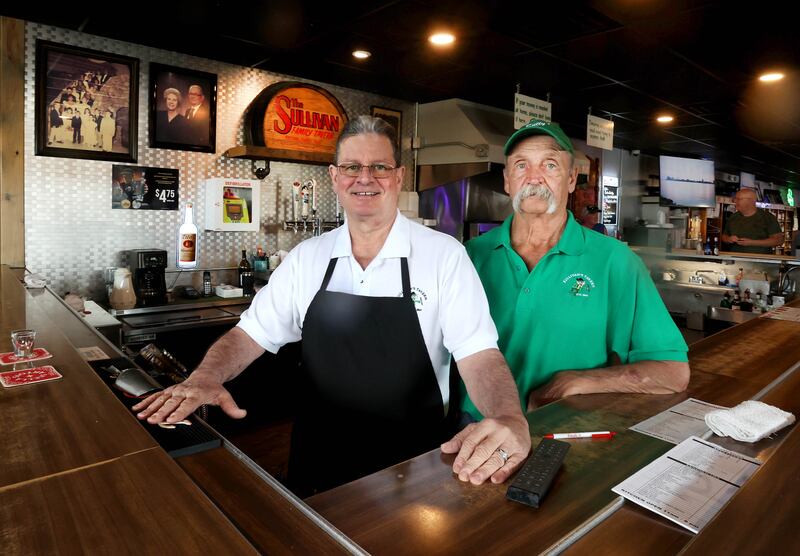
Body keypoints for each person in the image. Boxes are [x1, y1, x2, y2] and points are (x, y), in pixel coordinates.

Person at [134, 115, 531, 495]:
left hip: (416, 457)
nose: (365, 178)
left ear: (398, 176)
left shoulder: (444, 256)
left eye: (379, 166)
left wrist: (508, 416)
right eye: (352, 166)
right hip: (318, 453)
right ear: (335, 176)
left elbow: (479, 355)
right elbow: (249, 334)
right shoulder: (307, 258)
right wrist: (205, 377)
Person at [460, 119, 690, 418]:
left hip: (568, 432)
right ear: (506, 180)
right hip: (476, 433)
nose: (534, 178)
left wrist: (577, 381)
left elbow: (671, 372)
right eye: (521, 165)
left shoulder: (615, 261)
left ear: (571, 178)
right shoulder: (469, 256)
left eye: (550, 165)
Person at [720, 188, 783, 254]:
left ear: (751, 201)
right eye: (735, 199)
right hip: (736, 259)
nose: (735, 201)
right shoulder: (733, 217)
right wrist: (729, 239)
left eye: (738, 199)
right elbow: (724, 236)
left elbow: (779, 240)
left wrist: (752, 242)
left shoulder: (767, 217)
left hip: (759, 261)